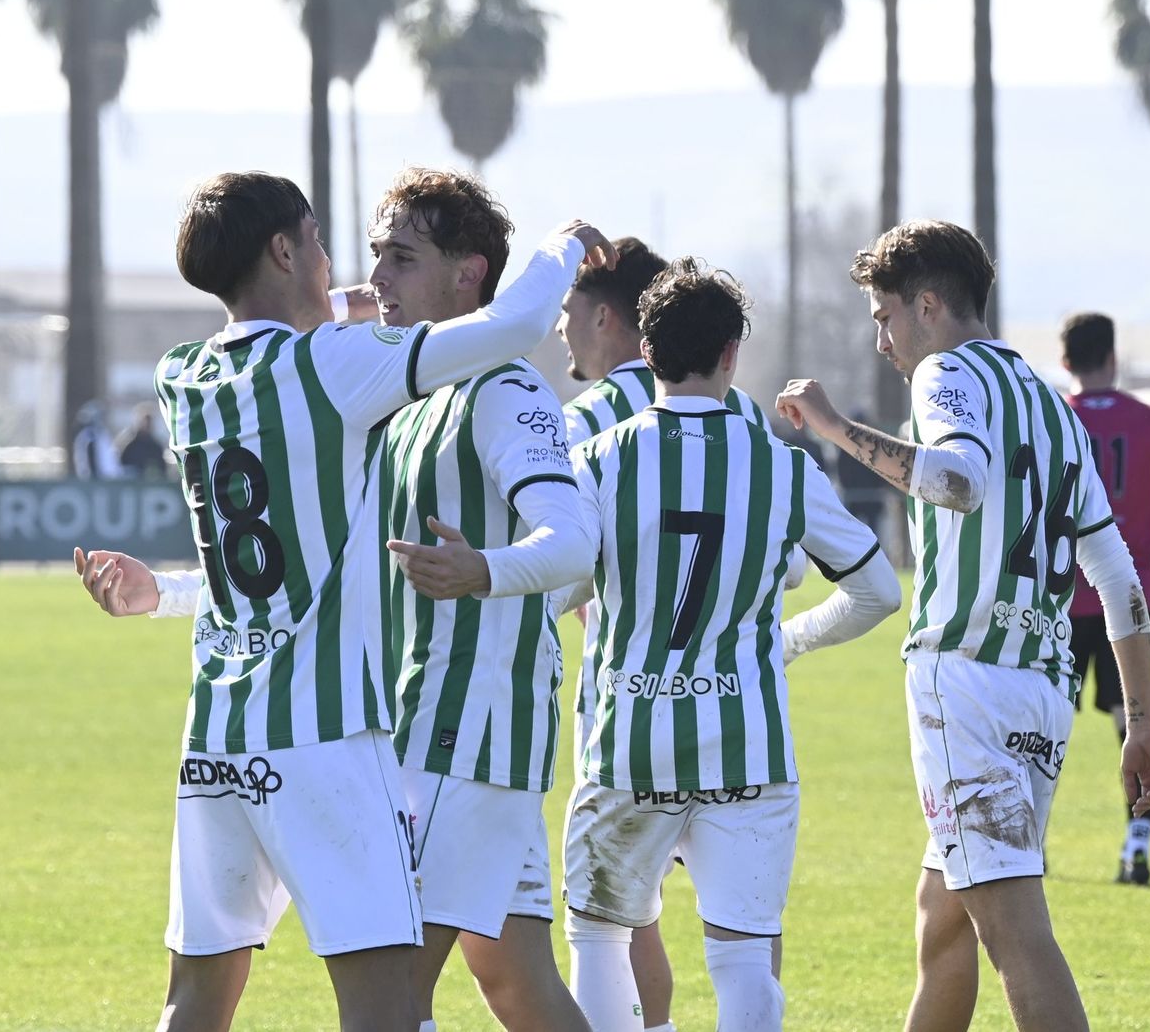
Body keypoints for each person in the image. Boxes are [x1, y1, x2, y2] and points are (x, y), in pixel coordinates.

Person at [72, 170, 615, 1032]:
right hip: (331, 739)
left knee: (200, 1000)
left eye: (396, 257)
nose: (356, 272)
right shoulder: (338, 372)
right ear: (287, 250)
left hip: (218, 733)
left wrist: (166, 593)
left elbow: (282, 556)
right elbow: (511, 324)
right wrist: (567, 245)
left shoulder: (183, 376)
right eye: (330, 246)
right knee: (391, 1003)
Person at [412, 257, 899, 1032]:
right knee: (743, 959)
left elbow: (559, 584)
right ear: (733, 354)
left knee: (601, 940)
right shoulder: (778, 464)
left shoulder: (599, 460)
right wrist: (788, 641)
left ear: (645, 346)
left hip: (627, 745)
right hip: (749, 747)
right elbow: (879, 591)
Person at [776, 220, 1150, 1032]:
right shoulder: (1055, 411)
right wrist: (1141, 722)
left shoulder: (945, 373)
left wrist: (832, 428)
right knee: (945, 920)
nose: (881, 339)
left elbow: (957, 481)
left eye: (885, 316)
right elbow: (1120, 579)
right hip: (1041, 695)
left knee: (1016, 933)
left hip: (967, 686)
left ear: (928, 305)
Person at [362, 168, 592, 1031]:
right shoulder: (416, 393)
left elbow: (571, 541)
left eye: (402, 257)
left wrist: (481, 571)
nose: (380, 276)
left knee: (386, 992)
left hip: (465, 735)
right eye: (377, 254)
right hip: (446, 731)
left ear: (470, 273)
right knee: (520, 987)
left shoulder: (505, 389)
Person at [553, 235, 784, 1032]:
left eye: (569, 311)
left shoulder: (581, 429)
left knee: (613, 919)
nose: (561, 329)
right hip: (735, 712)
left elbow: (553, 571)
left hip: (625, 708)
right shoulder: (743, 418)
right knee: (744, 934)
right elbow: (785, 563)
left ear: (618, 321)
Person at [1059, 311, 1150, 886]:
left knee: (1039, 725)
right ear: (1113, 359)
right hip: (1130, 603)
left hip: (1058, 604)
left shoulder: (1053, 420)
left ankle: (1028, 844)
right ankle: (1136, 842)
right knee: (1135, 724)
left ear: (1065, 362)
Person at [70, 402, 121, 479]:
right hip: (95, 480)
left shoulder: (102, 433)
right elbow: (90, 461)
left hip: (108, 479)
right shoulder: (88, 435)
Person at [116, 406, 170, 479]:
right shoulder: (128, 443)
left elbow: (162, 468)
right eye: (144, 421)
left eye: (149, 422)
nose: (147, 425)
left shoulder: (156, 446)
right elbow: (119, 464)